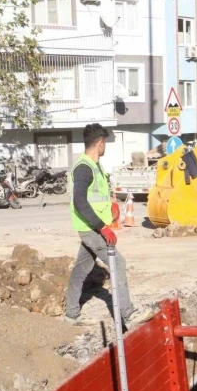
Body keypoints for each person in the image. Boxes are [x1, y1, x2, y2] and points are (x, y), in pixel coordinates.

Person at [65, 123, 149, 327]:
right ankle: (128, 313)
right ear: (100, 144)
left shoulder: (94, 166)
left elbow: (96, 196)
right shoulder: (84, 168)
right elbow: (80, 201)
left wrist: (110, 205)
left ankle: (71, 313)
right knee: (117, 263)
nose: (106, 147)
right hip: (91, 228)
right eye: (105, 144)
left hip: (91, 225)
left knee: (81, 268)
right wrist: (102, 227)